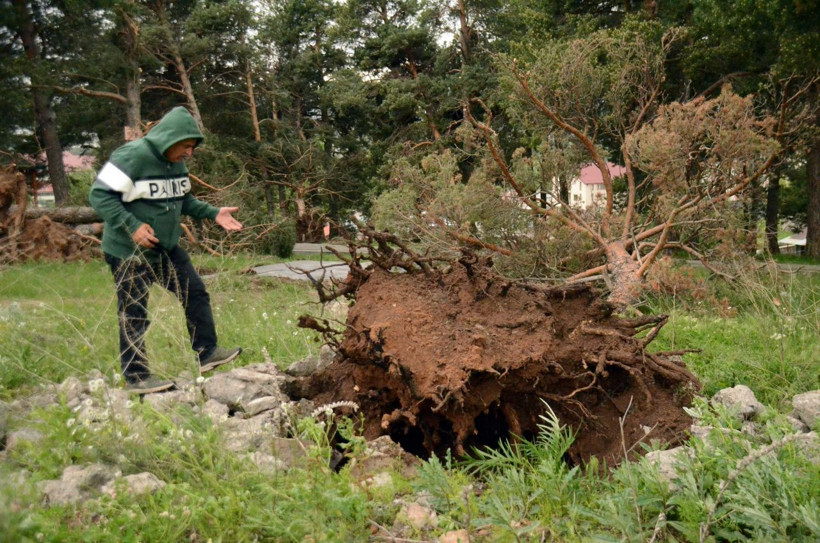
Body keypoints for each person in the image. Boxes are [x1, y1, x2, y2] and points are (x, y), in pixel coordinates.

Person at [89, 106, 243, 394]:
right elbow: (99, 195)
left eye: (192, 148)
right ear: (170, 139)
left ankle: (206, 353)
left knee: (194, 292)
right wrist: (132, 225)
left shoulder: (177, 164)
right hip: (128, 252)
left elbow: (183, 200)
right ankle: (136, 378)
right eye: (186, 146)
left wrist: (213, 213)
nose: (189, 154)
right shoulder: (130, 156)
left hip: (165, 248)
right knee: (134, 312)